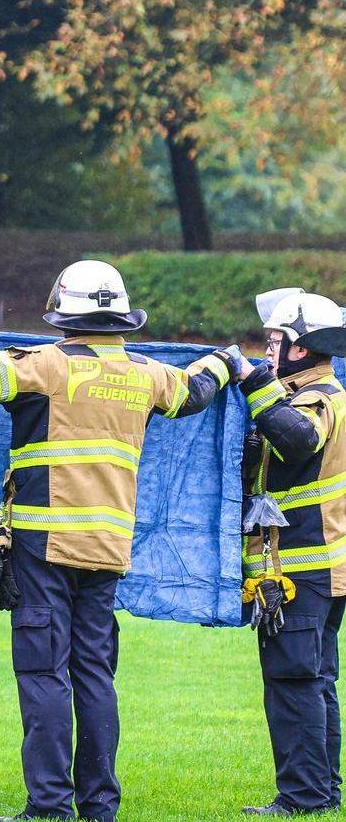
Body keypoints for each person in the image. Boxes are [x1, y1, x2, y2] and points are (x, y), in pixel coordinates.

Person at [0, 259, 240, 822]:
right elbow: (196, 391)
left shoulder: (48, 367)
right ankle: (100, 805)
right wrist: (222, 362)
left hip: (43, 546)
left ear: (64, 317)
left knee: (42, 675)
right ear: (120, 320)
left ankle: (50, 806)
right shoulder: (147, 375)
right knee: (94, 676)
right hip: (109, 548)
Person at [238, 288, 346, 816]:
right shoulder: (320, 392)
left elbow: (297, 440)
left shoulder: (318, 398)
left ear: (300, 349)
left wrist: (254, 385)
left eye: (275, 341)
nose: (267, 352)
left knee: (294, 680)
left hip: (303, 570)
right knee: (316, 678)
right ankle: (323, 793)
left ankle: (302, 796)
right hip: (319, 569)